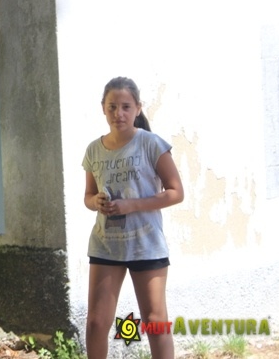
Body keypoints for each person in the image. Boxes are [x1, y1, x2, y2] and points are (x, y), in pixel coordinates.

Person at [82, 77, 184, 359]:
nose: (119, 113)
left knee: (155, 322)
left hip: (145, 245)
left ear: (138, 108)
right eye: (112, 107)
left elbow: (176, 192)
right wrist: (96, 202)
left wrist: (132, 205)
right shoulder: (93, 150)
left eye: (126, 107)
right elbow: (88, 196)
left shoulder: (151, 144)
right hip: (106, 246)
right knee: (96, 323)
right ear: (103, 108)